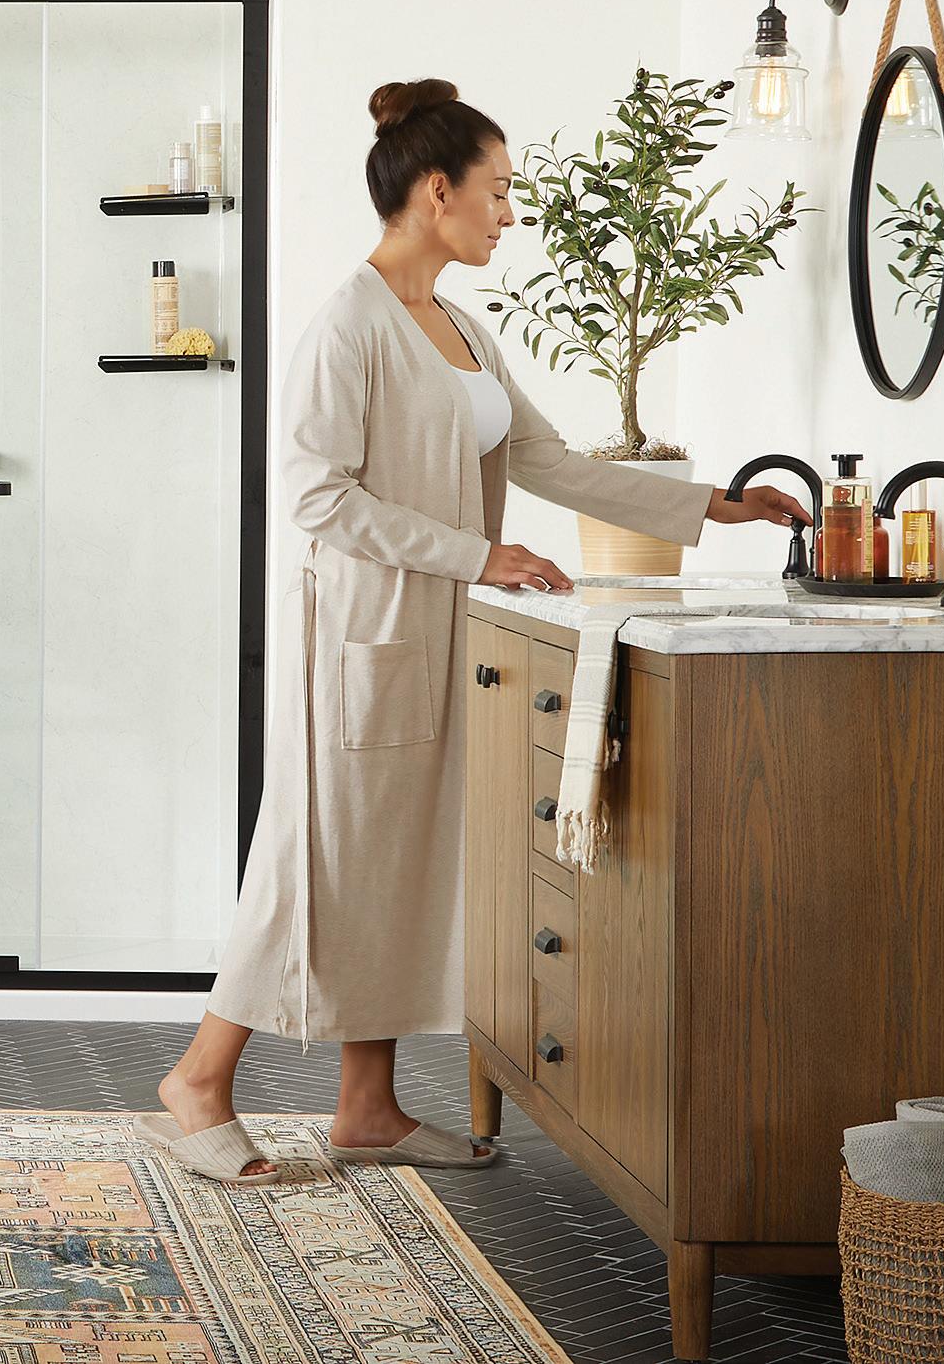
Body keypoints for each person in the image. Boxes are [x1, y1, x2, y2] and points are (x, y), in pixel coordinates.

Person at [136, 77, 809, 1183]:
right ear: (434, 192)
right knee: (318, 852)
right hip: (367, 633)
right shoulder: (348, 325)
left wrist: (711, 504)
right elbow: (314, 496)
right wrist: (476, 554)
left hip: (444, 632)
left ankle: (367, 1107)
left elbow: (548, 462)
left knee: (398, 861)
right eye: (496, 191)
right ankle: (198, 1078)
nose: (508, 213)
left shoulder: (460, 329)